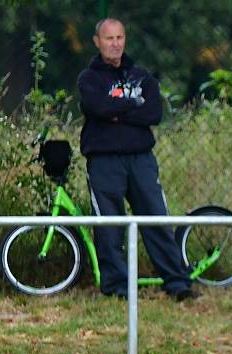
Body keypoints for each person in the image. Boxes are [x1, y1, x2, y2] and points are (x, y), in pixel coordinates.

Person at [78, 18, 198, 301]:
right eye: (109, 39)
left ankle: (177, 283)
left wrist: (117, 112)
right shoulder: (89, 78)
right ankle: (118, 287)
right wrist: (133, 104)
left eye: (120, 38)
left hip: (141, 160)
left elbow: (153, 113)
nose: (115, 44)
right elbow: (97, 107)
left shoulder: (142, 76)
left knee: (156, 218)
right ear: (97, 41)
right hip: (104, 162)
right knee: (110, 226)